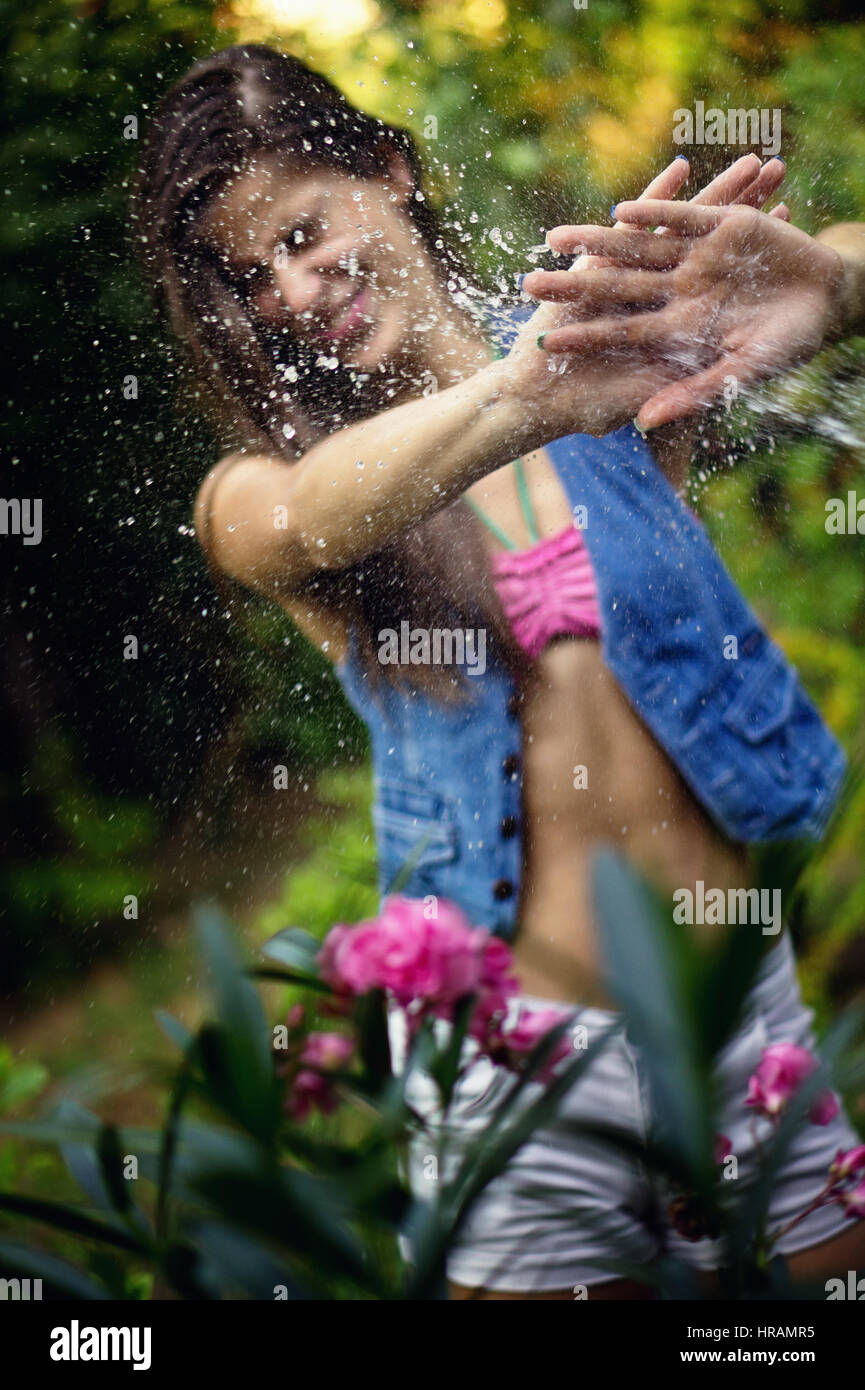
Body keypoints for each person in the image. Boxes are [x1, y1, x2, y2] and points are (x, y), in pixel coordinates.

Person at [134, 43, 865, 1299]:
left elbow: (834, 259)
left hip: (740, 1013)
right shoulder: (289, 494)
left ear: (389, 167)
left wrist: (831, 284)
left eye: (301, 234)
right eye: (252, 278)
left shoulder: (600, 349)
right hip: (520, 1078)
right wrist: (525, 395)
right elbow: (304, 516)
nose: (293, 291)